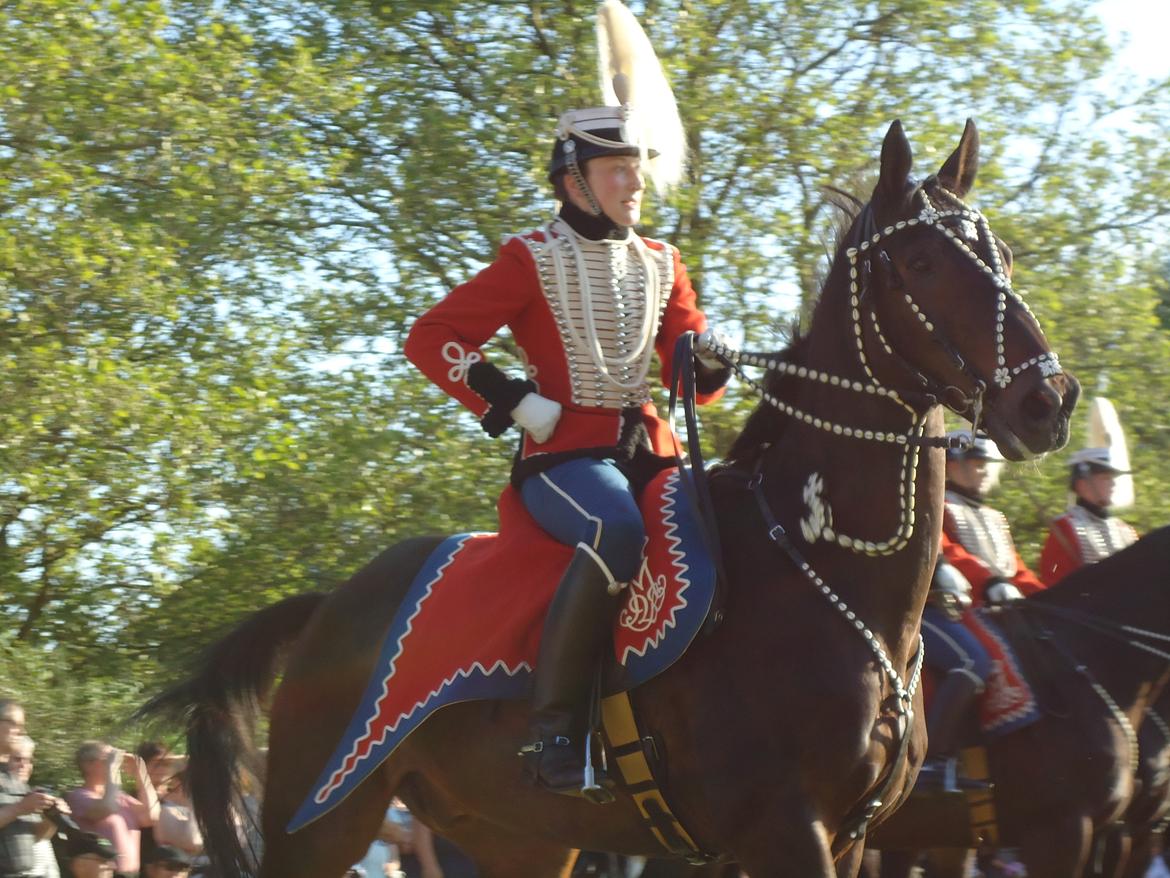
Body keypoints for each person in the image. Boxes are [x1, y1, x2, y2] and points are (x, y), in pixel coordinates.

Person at [403, 1, 729, 798]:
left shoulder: (664, 262)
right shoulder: (529, 258)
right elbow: (432, 338)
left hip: (650, 449)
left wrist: (708, 358)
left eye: (638, 168)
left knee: (738, 528)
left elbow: (687, 361)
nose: (636, 182)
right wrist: (514, 400)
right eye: (619, 170)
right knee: (616, 529)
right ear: (574, 179)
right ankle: (554, 732)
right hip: (562, 457)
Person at [941, 434, 1046, 607]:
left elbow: (1014, 569)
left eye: (988, 465)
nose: (986, 472)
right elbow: (947, 552)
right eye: (979, 465)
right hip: (960, 602)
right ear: (953, 466)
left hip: (999, 600)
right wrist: (988, 581)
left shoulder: (993, 516)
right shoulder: (940, 507)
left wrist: (1044, 596)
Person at [918, 560, 992, 791]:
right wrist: (937, 567)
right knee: (970, 661)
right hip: (917, 602)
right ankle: (930, 761)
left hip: (957, 600)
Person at [1040, 445, 1138, 586]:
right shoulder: (1065, 527)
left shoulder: (1125, 530)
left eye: (1112, 478)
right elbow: (1054, 582)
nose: (1113, 484)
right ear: (1083, 485)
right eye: (1105, 478)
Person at [66, 743, 159, 878]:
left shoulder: (121, 797)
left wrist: (141, 771)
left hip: (130, 874)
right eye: (107, 759)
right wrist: (113, 767)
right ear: (88, 765)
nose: (116, 763)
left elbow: (151, 816)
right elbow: (108, 808)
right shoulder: (78, 797)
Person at [0, 701, 67, 878]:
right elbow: (17, 810)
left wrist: (51, 818)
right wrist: (19, 808)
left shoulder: (13, 779)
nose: (21, 731)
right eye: (14, 724)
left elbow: (32, 838)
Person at [5, 737, 60, 878]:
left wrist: (53, 818)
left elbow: (35, 838)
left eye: (29, 760)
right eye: (17, 759)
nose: (24, 765)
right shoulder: (6, 797)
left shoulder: (31, 795)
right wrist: (20, 808)